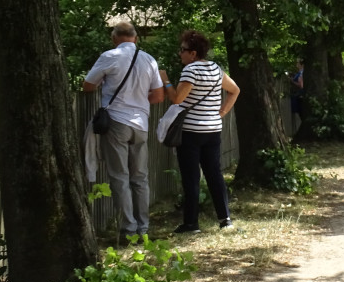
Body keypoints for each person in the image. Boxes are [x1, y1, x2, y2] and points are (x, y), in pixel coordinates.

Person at [84, 21, 164, 238]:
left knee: (120, 177)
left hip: (117, 122)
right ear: (135, 38)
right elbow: (158, 95)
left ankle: (128, 229)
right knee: (140, 178)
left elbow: (88, 85)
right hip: (141, 125)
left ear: (114, 38)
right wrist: (139, 101)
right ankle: (143, 227)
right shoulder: (149, 60)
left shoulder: (109, 56)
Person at [171, 30, 241, 233]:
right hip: (212, 130)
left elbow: (177, 99)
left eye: (182, 50)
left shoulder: (190, 70)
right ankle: (225, 218)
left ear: (193, 53)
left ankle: (191, 223)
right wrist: (222, 112)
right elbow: (235, 90)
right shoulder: (215, 68)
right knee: (214, 174)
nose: (180, 54)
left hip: (191, 131)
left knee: (191, 177)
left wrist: (165, 82)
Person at [290, 58, 304, 130]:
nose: (296, 64)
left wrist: (292, 81)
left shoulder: (301, 73)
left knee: (301, 111)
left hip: (299, 94)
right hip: (298, 94)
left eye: (298, 63)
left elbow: (301, 85)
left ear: (301, 64)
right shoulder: (300, 72)